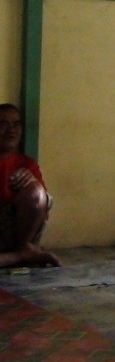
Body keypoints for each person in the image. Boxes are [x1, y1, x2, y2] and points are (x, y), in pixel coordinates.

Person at [0, 103, 61, 268]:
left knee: (35, 191)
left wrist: (33, 183)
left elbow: (41, 206)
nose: (11, 130)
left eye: (16, 124)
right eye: (4, 124)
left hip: (16, 236)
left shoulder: (27, 164)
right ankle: (22, 256)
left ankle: (22, 250)